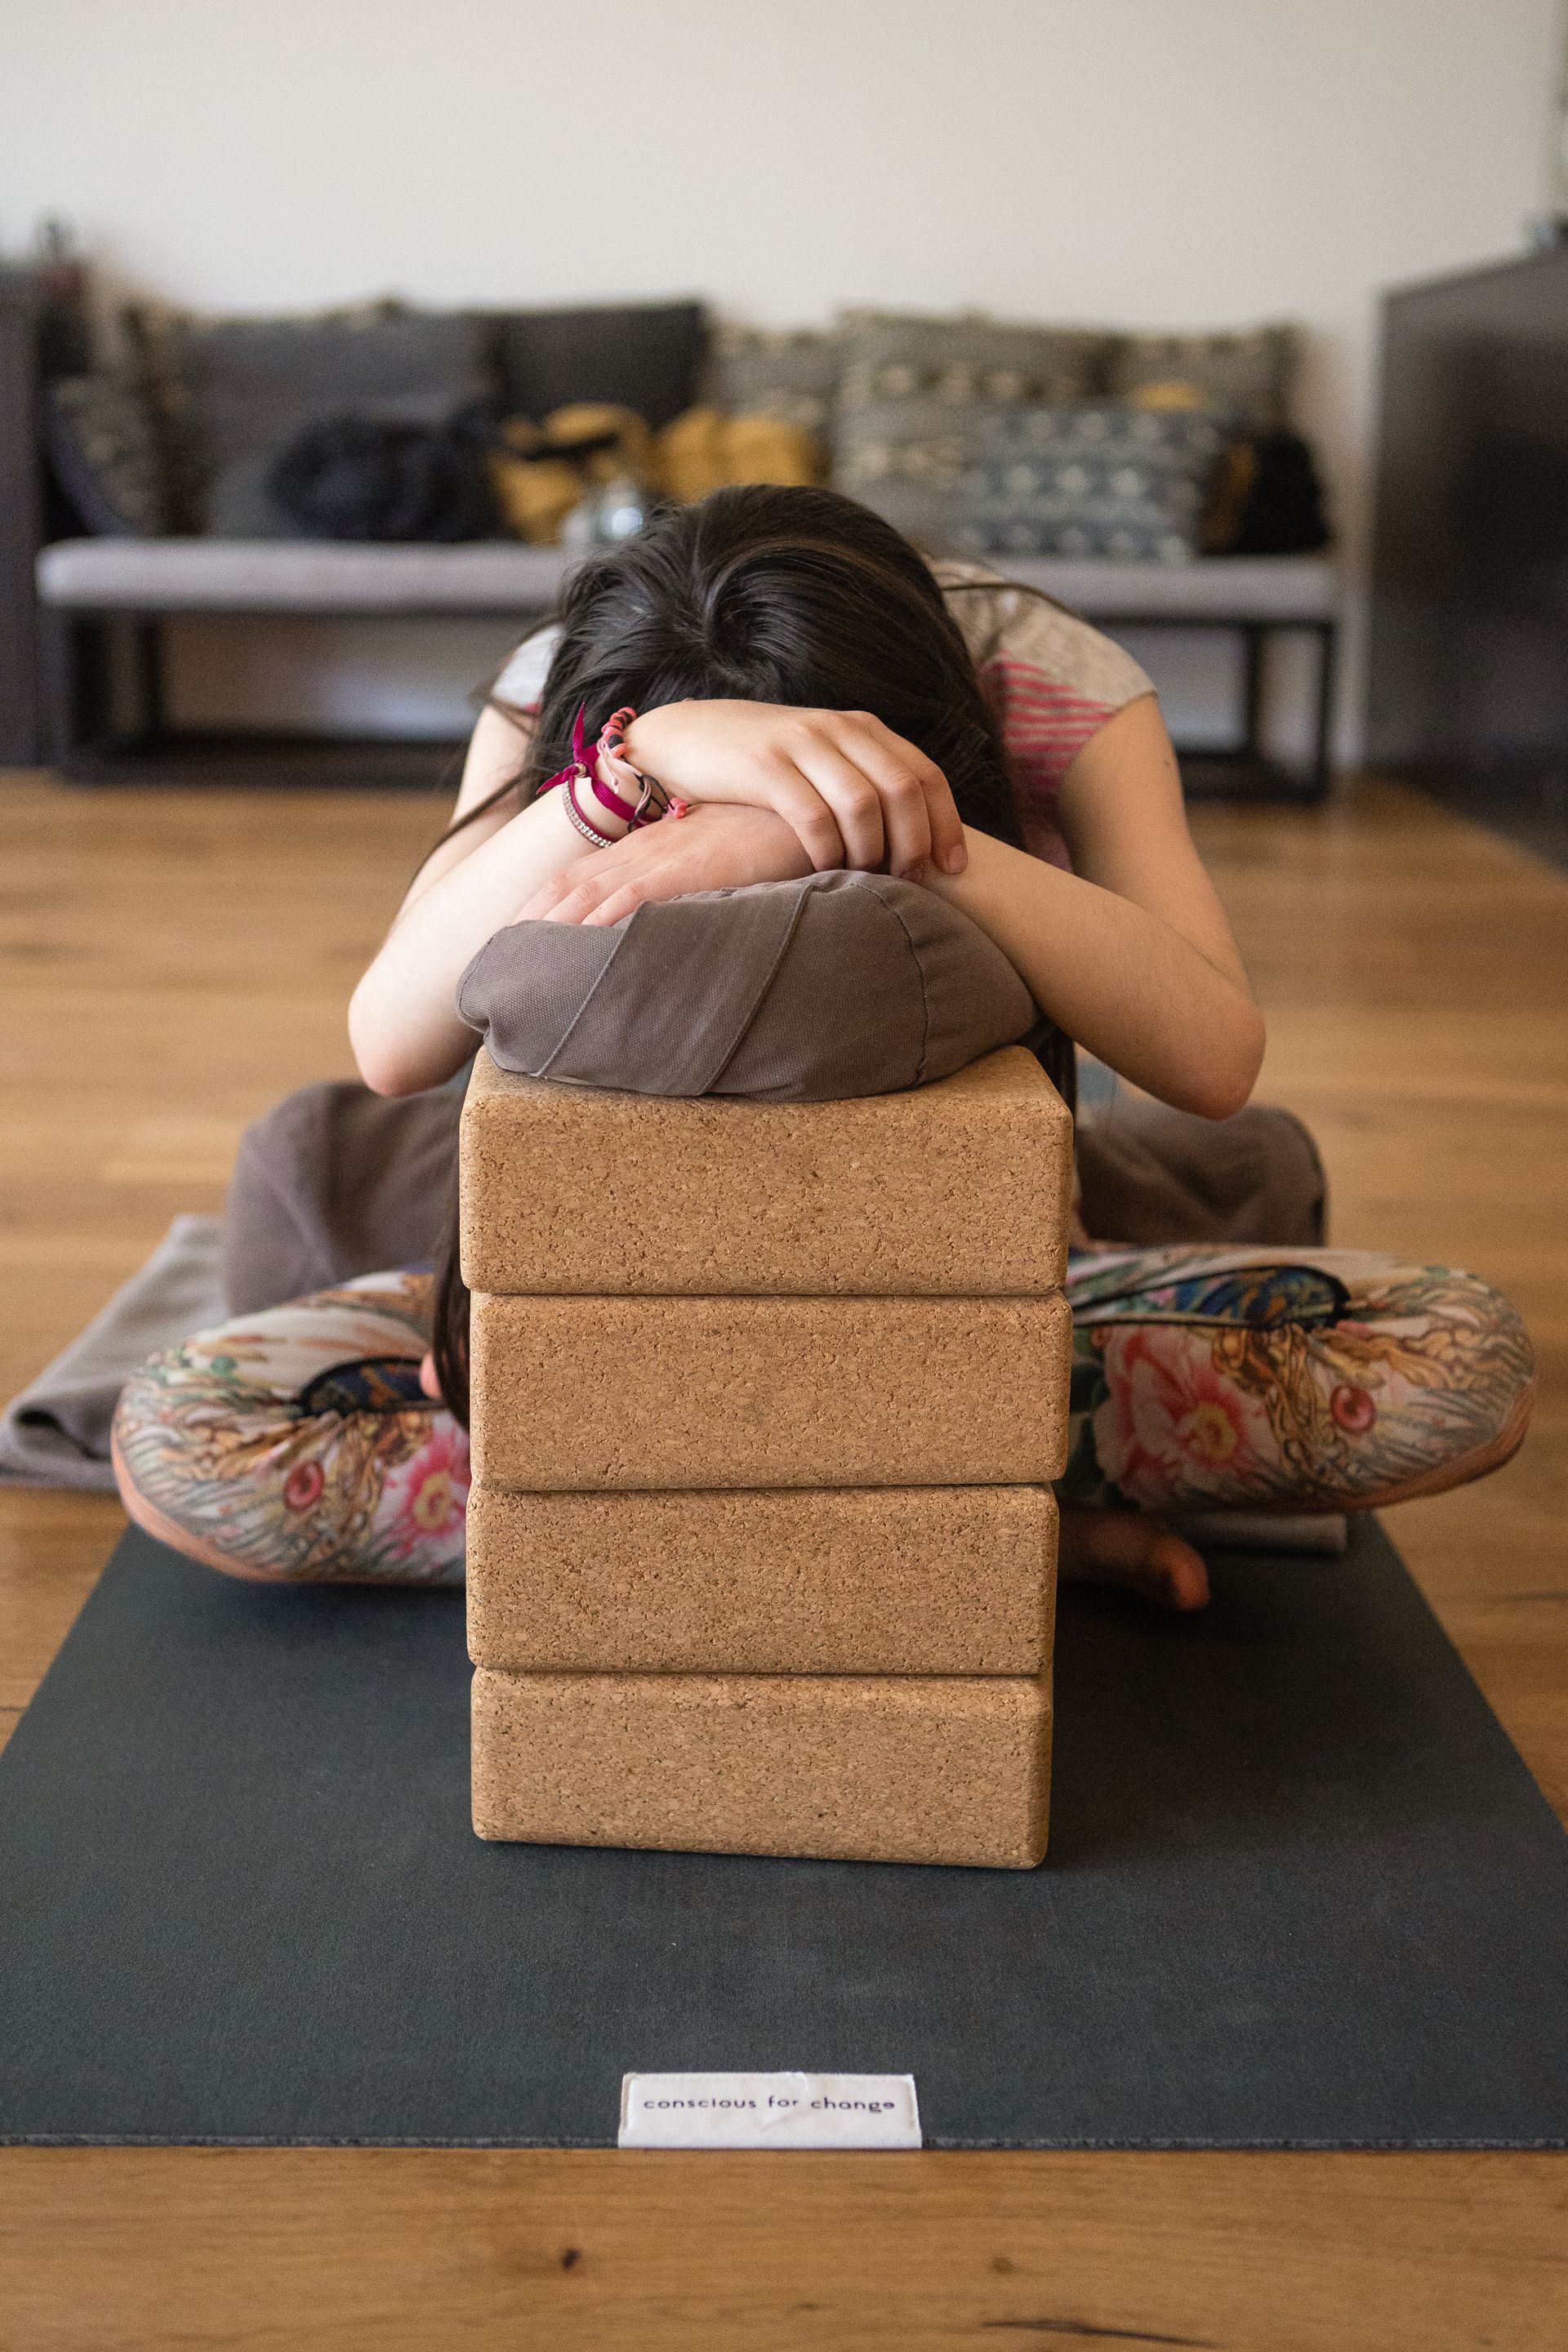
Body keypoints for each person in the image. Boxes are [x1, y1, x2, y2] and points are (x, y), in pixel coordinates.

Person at [112, 488, 1535, 1605]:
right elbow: (391, 1038)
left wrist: (883, 830)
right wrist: (639, 765)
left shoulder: (1045, 674)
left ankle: (783, 1532)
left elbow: (1212, 1057)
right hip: (608, 1267)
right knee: (247, 1301)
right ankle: (932, 1539)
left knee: (1427, 1329)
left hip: (942, 1262)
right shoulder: (570, 680)